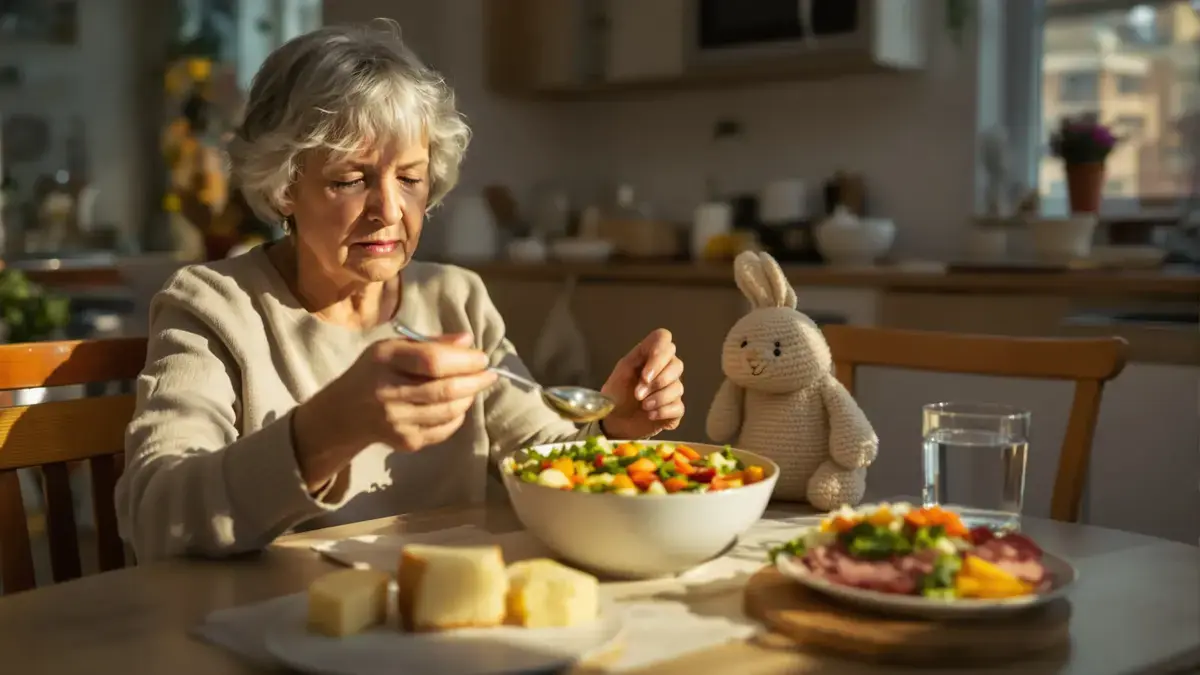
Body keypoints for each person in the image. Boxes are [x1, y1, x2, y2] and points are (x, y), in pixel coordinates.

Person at [115, 21, 686, 562]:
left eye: (410, 178)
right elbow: (157, 516)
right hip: (282, 627)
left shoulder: (453, 299)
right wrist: (329, 430)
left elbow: (542, 458)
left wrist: (612, 428)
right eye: (350, 179)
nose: (389, 211)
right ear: (285, 185)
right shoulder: (215, 306)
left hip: (440, 626)